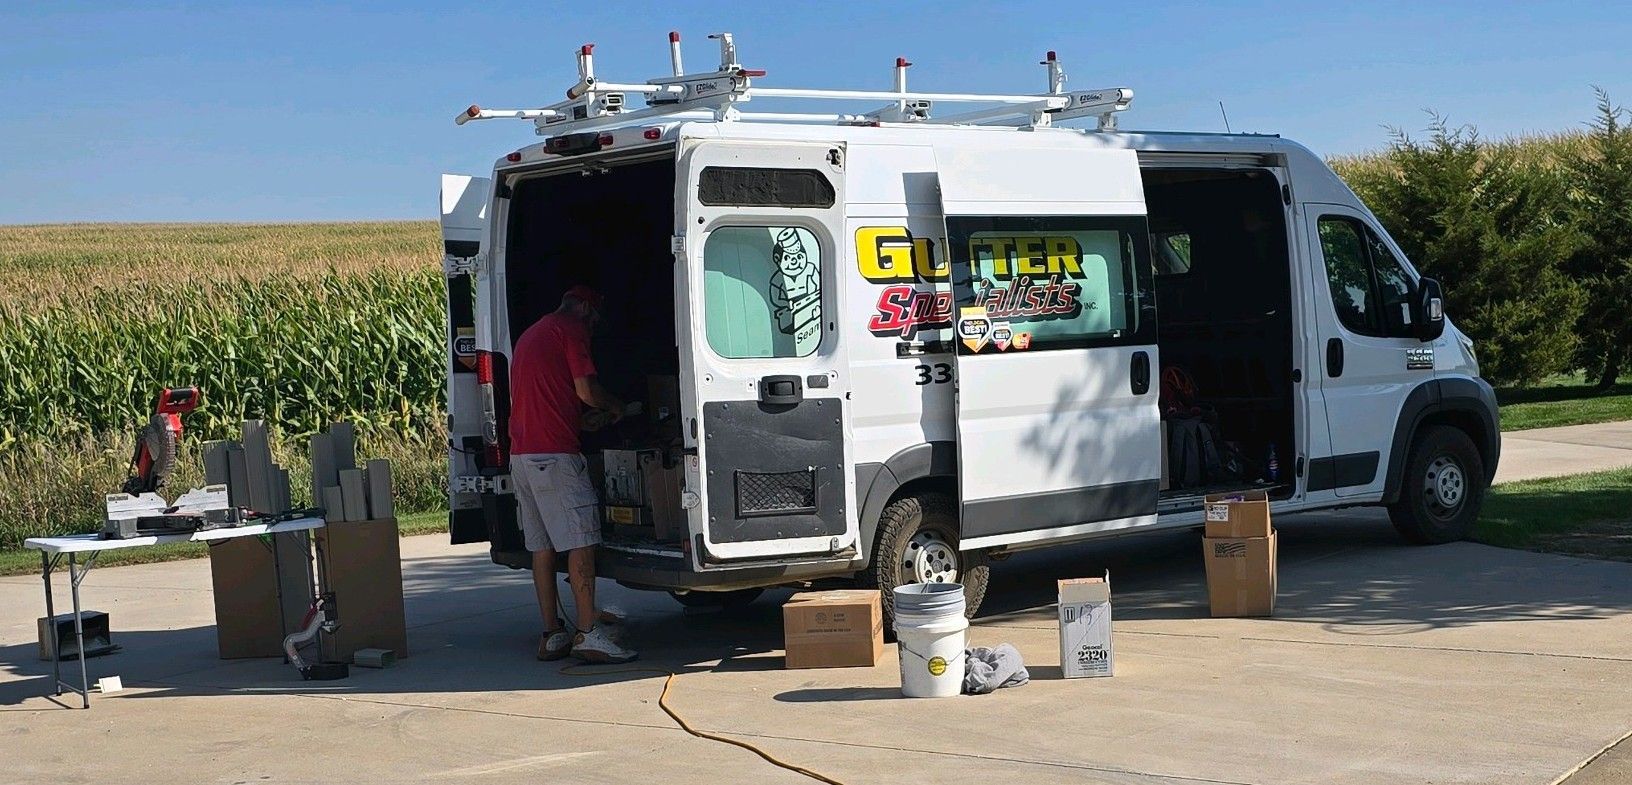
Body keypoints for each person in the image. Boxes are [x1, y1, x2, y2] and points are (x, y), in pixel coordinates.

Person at [508, 285, 637, 663]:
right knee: (582, 540)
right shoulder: (571, 329)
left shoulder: (533, 333)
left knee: (542, 547)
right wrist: (614, 407)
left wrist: (580, 422)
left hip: (523, 455)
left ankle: (552, 634)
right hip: (555, 458)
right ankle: (588, 633)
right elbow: (586, 390)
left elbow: (547, 398)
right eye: (594, 318)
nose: (593, 327)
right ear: (582, 308)